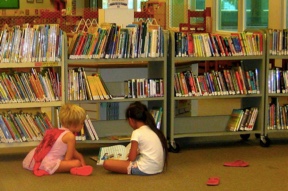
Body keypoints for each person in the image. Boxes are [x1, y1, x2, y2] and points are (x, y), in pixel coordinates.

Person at [23, 104, 93, 176]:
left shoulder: (56, 131)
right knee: (76, 163)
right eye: (81, 123)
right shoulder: (70, 137)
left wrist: (82, 160)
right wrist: (79, 163)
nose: (82, 125)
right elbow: (68, 159)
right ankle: (75, 169)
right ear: (75, 125)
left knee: (76, 160)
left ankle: (78, 167)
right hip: (48, 163)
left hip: (36, 159)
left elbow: (74, 152)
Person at [103, 101, 168, 175]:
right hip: (158, 168)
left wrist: (131, 155)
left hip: (145, 168)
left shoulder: (136, 132)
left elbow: (131, 159)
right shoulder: (152, 130)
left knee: (107, 163)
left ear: (131, 120)